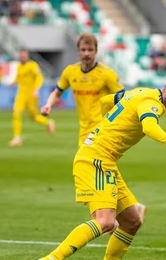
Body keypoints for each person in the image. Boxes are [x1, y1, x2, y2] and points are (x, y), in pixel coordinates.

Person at [33, 72, 166, 260]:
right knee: (105, 221)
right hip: (96, 159)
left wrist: (103, 127)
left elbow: (105, 101)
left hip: (105, 160)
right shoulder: (153, 102)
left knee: (132, 221)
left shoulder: (139, 92)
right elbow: (149, 126)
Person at [40, 33, 147, 225]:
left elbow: (124, 98)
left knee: (89, 172)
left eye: (90, 50)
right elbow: (57, 91)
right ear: (78, 50)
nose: (86, 54)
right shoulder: (70, 72)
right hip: (84, 130)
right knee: (105, 171)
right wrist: (48, 104)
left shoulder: (106, 74)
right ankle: (132, 207)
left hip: (102, 131)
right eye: (83, 50)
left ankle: (103, 218)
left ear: (96, 51)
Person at [9, 49, 55, 147]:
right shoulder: (19, 67)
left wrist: (36, 89)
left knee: (34, 118)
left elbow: (39, 77)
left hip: (31, 96)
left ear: (27, 56)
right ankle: (16, 138)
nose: (22, 57)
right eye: (21, 56)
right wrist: (13, 82)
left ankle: (48, 122)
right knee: (16, 113)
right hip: (21, 95)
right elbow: (18, 77)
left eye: (24, 56)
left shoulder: (32, 66)